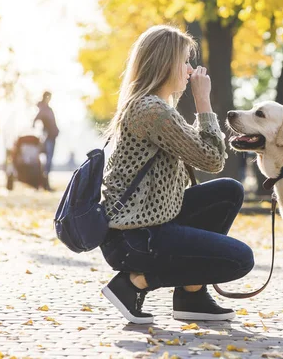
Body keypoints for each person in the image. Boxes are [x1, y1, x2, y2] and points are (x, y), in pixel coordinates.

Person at [99, 25, 254, 324]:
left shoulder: (153, 106)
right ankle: (133, 283)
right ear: (166, 63)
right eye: (184, 61)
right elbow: (211, 159)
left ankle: (191, 295)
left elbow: (203, 155)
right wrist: (203, 100)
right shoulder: (152, 111)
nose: (190, 70)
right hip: (135, 237)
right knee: (240, 259)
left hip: (145, 225)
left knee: (228, 192)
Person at [33, 90, 59, 191]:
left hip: (51, 137)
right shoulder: (44, 109)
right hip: (48, 138)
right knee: (47, 161)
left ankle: (45, 183)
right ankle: (45, 184)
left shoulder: (46, 109)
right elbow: (36, 120)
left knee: (48, 161)